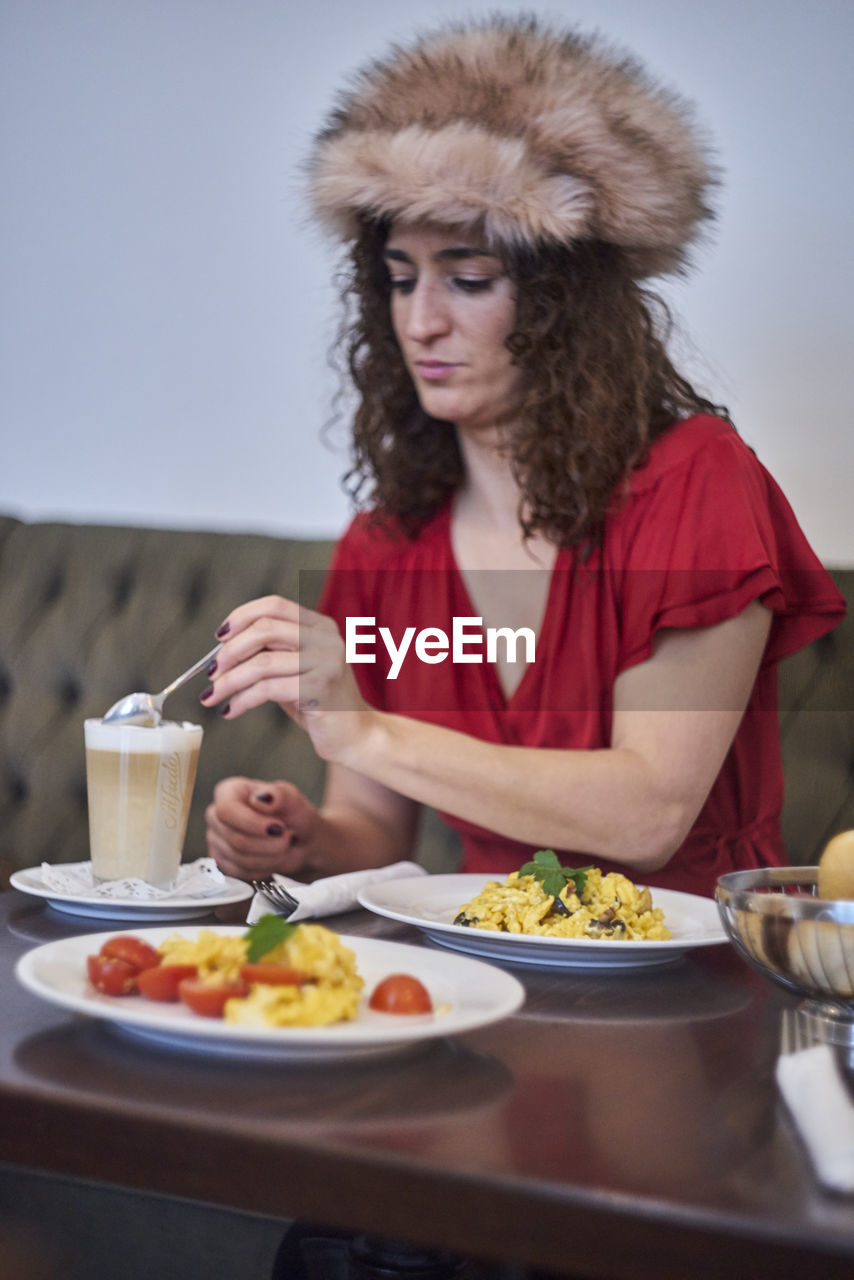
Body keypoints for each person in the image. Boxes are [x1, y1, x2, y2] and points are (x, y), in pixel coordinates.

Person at [202, 14, 845, 899]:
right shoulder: (388, 543)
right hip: (482, 972)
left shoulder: (698, 481)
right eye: (399, 278)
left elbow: (649, 814)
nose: (421, 321)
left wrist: (366, 729)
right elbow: (376, 833)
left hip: (690, 982)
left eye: (468, 280)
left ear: (562, 303)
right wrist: (298, 838)